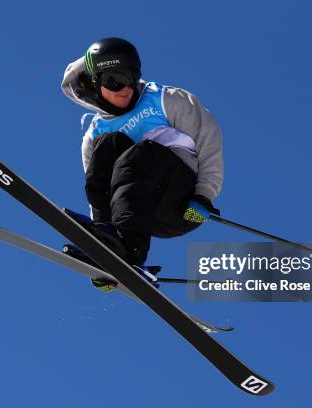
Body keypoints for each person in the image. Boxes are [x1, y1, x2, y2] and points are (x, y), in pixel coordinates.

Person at [61, 37, 224, 274]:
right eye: (114, 81)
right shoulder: (94, 133)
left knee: (140, 154)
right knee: (108, 145)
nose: (125, 89)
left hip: (181, 201)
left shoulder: (166, 100)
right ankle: (110, 246)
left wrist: (204, 195)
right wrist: (102, 263)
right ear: (96, 82)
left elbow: (209, 142)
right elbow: (100, 191)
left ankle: (129, 250)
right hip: (142, 214)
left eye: (131, 79)